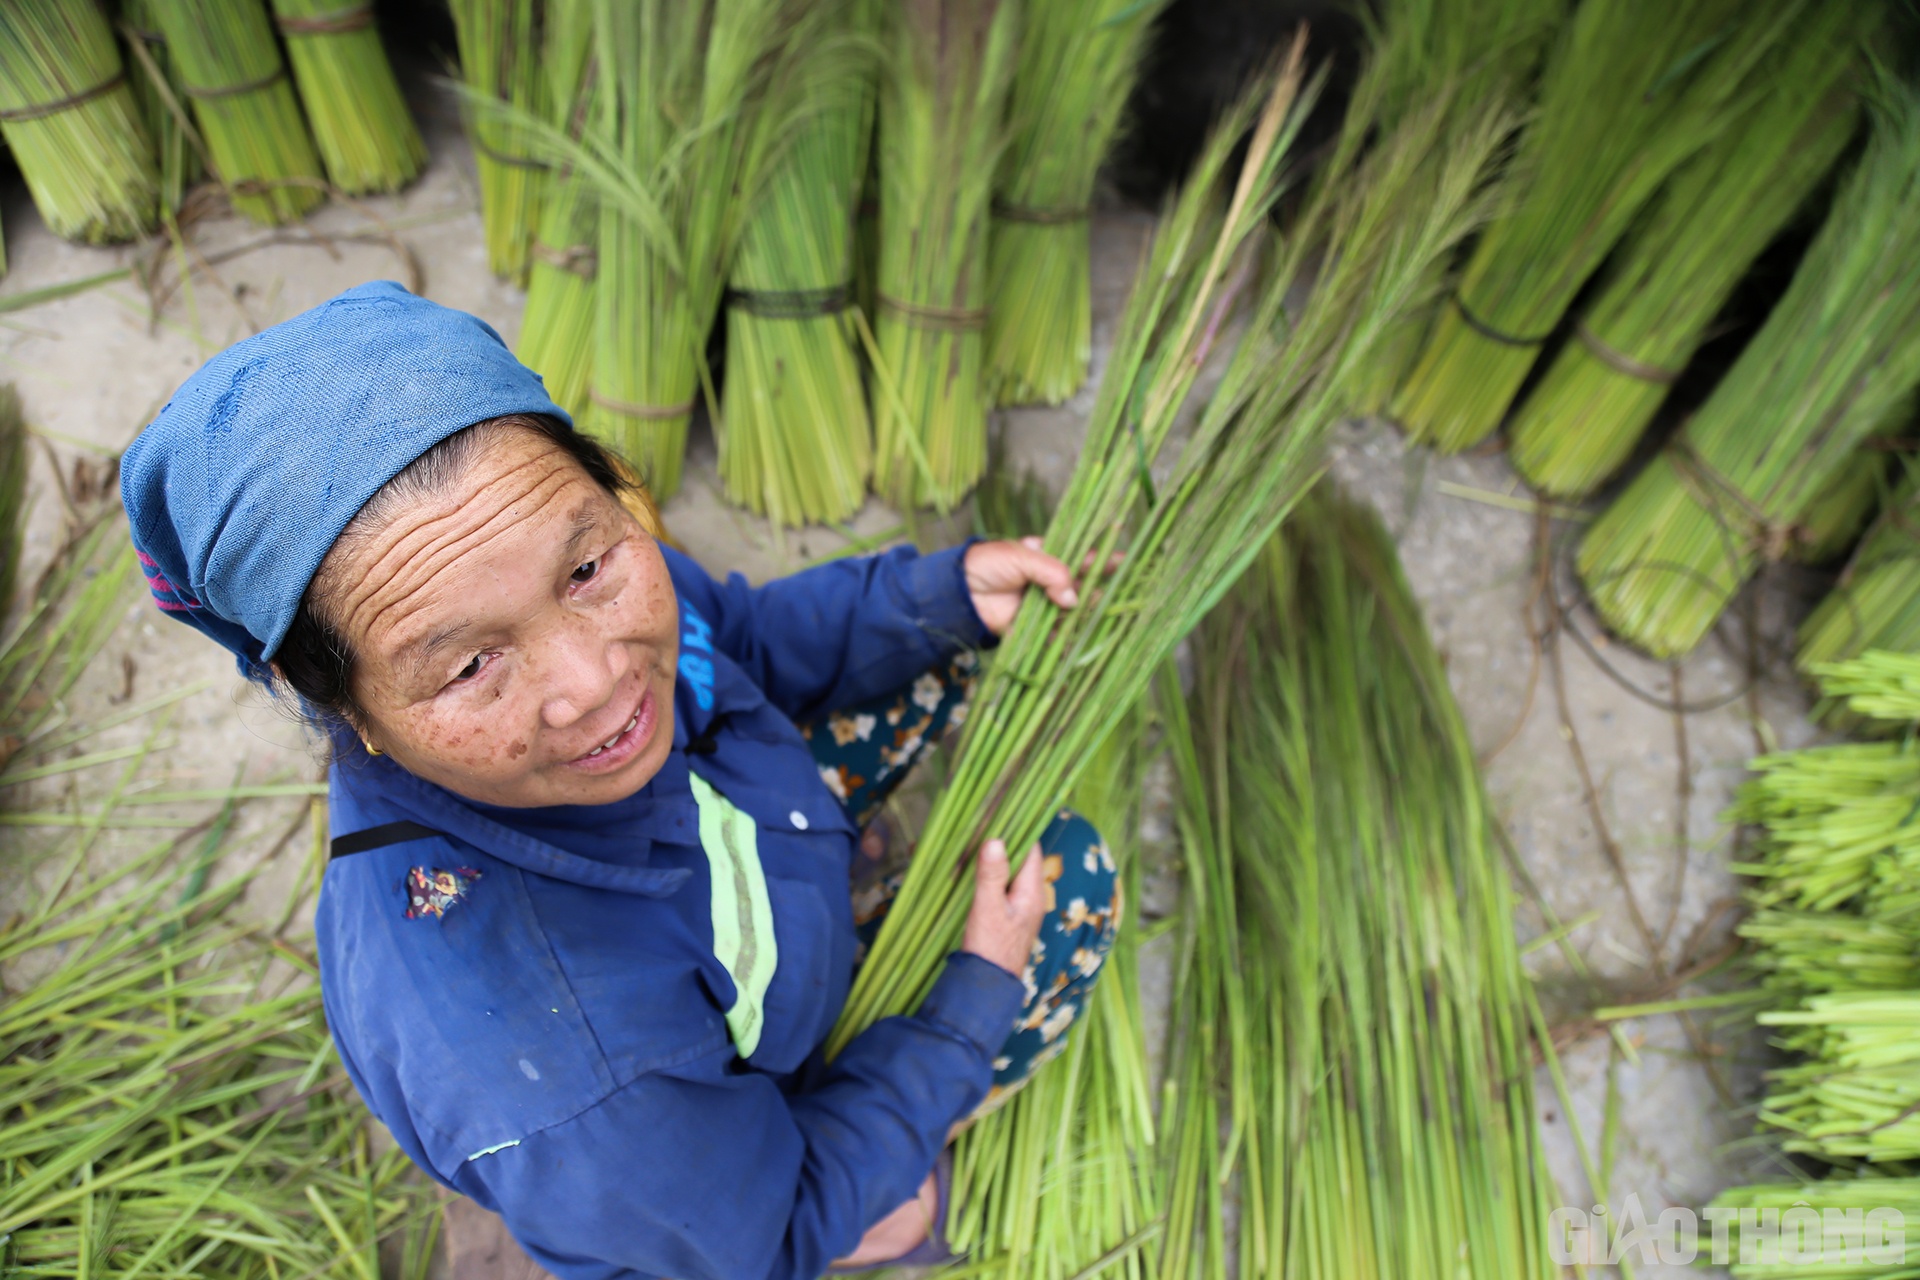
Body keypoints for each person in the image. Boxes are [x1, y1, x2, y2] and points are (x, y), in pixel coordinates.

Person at [120, 282, 1120, 1279]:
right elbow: (762, 1241)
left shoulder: (547, 563)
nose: (600, 681)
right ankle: (879, 1228)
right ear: (343, 705)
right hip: (701, 1165)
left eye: (588, 567)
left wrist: (939, 593)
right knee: (1067, 891)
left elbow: (737, 634)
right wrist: (968, 1005)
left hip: (720, 892)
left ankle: (806, 890)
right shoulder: (571, 1072)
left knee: (942, 642)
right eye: (470, 666)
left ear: (605, 491)